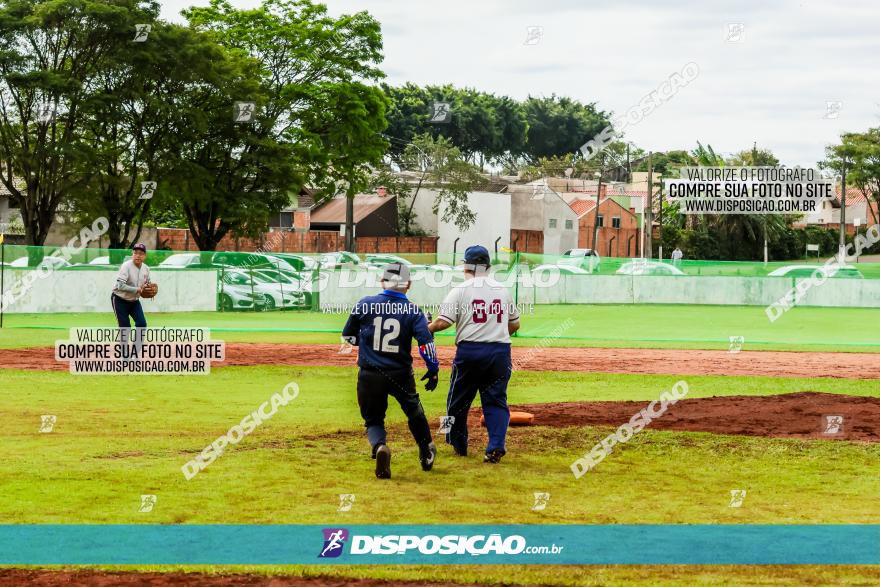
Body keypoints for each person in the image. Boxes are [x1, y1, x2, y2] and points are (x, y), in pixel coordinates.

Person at [341, 263, 439, 479]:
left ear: (382, 281)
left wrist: (365, 344)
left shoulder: (365, 304)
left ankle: (380, 447)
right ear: (408, 285)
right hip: (400, 374)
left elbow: (348, 336)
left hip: (369, 373)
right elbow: (426, 343)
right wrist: (433, 369)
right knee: (414, 412)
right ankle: (425, 450)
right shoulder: (413, 310)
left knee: (374, 420)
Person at [428, 245, 520, 464]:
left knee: (457, 401)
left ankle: (458, 444)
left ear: (466, 266)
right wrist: (494, 332)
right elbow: (515, 324)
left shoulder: (460, 290)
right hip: (499, 352)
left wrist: (426, 327)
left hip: (469, 351)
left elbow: (443, 322)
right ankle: (496, 446)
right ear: (487, 267)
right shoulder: (502, 290)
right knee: (496, 401)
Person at [111, 243, 153, 362]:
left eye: (141, 253)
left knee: (142, 324)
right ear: (132, 254)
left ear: (144, 256)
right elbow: (120, 285)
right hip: (119, 299)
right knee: (125, 327)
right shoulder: (126, 266)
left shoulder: (146, 269)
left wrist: (147, 290)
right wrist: (137, 289)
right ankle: (125, 357)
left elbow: (146, 285)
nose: (137, 255)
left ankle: (135, 355)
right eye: (135, 253)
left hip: (134, 301)